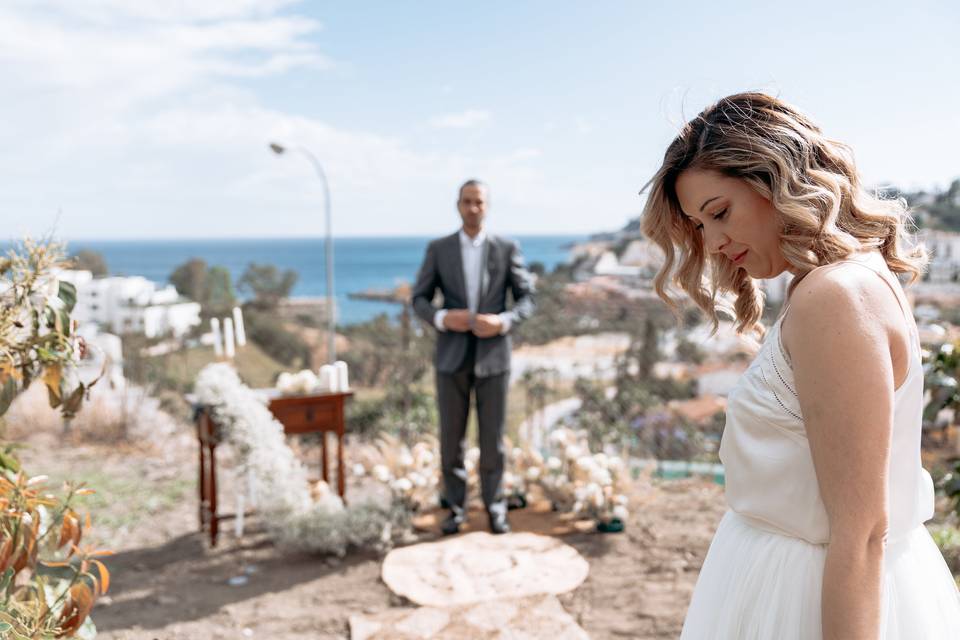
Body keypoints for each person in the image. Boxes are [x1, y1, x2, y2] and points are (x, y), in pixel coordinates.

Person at [641, 92, 960, 638]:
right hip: (783, 578)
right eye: (698, 226)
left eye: (719, 213)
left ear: (777, 179)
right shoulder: (835, 282)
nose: (713, 243)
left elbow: (862, 533)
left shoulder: (836, 296)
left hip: (804, 597)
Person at [412, 179, 536, 535]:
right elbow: (419, 298)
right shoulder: (438, 249)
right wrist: (440, 317)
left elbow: (527, 299)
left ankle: (496, 508)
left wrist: (503, 322)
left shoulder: (506, 247)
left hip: (494, 357)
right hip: (450, 358)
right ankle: (455, 510)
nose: (473, 208)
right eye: (467, 202)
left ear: (487, 206)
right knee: (451, 440)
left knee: (493, 440)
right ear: (458, 205)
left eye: (479, 202)